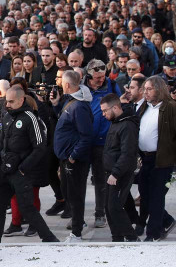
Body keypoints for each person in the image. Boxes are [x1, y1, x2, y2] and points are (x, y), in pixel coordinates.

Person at [0, 86, 59, 243]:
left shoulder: (30, 118)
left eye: (11, 102)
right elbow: (1, 144)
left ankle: (49, 238)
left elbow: (40, 147)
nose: (8, 105)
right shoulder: (6, 117)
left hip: (21, 172)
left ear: (21, 100)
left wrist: (23, 168)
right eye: (7, 101)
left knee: (27, 207)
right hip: (5, 170)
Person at [50, 70, 94, 242]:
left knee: (75, 195)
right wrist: (55, 105)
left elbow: (86, 135)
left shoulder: (80, 106)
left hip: (74, 160)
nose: (60, 84)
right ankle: (78, 223)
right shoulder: (70, 102)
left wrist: (73, 156)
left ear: (67, 85)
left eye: (61, 82)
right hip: (66, 158)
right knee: (68, 193)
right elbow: (64, 121)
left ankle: (76, 232)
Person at [83, 59, 122, 229]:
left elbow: (120, 110)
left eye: (102, 76)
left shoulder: (112, 86)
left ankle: (100, 213)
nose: (100, 80)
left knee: (100, 179)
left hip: (104, 142)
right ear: (89, 75)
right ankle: (76, 215)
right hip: (83, 141)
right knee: (76, 181)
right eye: (97, 77)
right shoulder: (82, 87)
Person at [136, 76, 176, 241]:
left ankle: (153, 233)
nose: (145, 92)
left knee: (157, 196)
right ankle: (166, 220)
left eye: (149, 89)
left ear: (159, 89)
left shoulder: (171, 107)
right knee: (145, 195)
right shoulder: (144, 106)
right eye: (144, 89)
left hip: (163, 160)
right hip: (145, 158)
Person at [99, 93, 140, 242]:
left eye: (105, 111)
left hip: (121, 173)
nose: (103, 114)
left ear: (115, 107)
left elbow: (128, 153)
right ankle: (117, 237)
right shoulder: (116, 122)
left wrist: (115, 173)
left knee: (115, 207)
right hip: (111, 171)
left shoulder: (127, 125)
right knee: (108, 208)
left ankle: (132, 237)